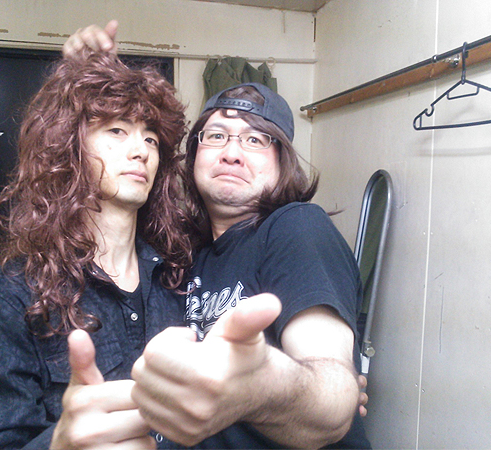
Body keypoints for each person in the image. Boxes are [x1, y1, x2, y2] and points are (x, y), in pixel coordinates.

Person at [62, 24, 370, 450]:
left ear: (283, 163)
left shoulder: (296, 227)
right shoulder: (179, 256)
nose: (232, 152)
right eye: (217, 136)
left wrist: (263, 390)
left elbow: (332, 394)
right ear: (192, 156)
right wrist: (80, 84)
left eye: (256, 139)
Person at [0, 43, 193, 449]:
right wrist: (61, 443)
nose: (141, 151)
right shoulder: (5, 299)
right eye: (117, 131)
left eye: (151, 140)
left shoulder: (180, 279)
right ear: (70, 147)